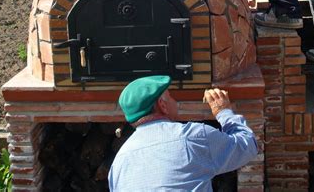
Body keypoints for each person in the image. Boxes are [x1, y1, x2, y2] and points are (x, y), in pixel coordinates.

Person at [108, 75, 258, 191]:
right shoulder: (192, 137)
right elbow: (247, 146)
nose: (175, 101)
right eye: (171, 96)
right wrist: (224, 111)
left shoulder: (119, 162)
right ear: (162, 105)